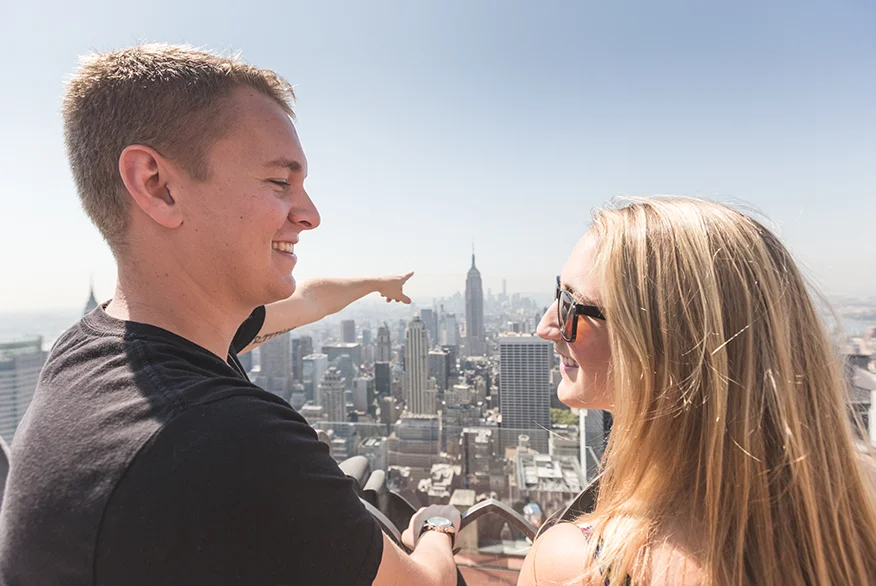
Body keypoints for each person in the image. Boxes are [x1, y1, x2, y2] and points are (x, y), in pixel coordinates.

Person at [0, 44, 461, 586]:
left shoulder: (96, 348)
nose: (311, 214)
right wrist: (437, 526)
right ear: (158, 185)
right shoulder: (223, 437)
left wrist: (374, 285)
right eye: (278, 182)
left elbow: (308, 300)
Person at [519, 197, 876, 586]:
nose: (545, 326)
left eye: (571, 304)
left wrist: (439, 535)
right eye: (558, 293)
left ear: (659, 344)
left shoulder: (575, 565)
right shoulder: (857, 516)